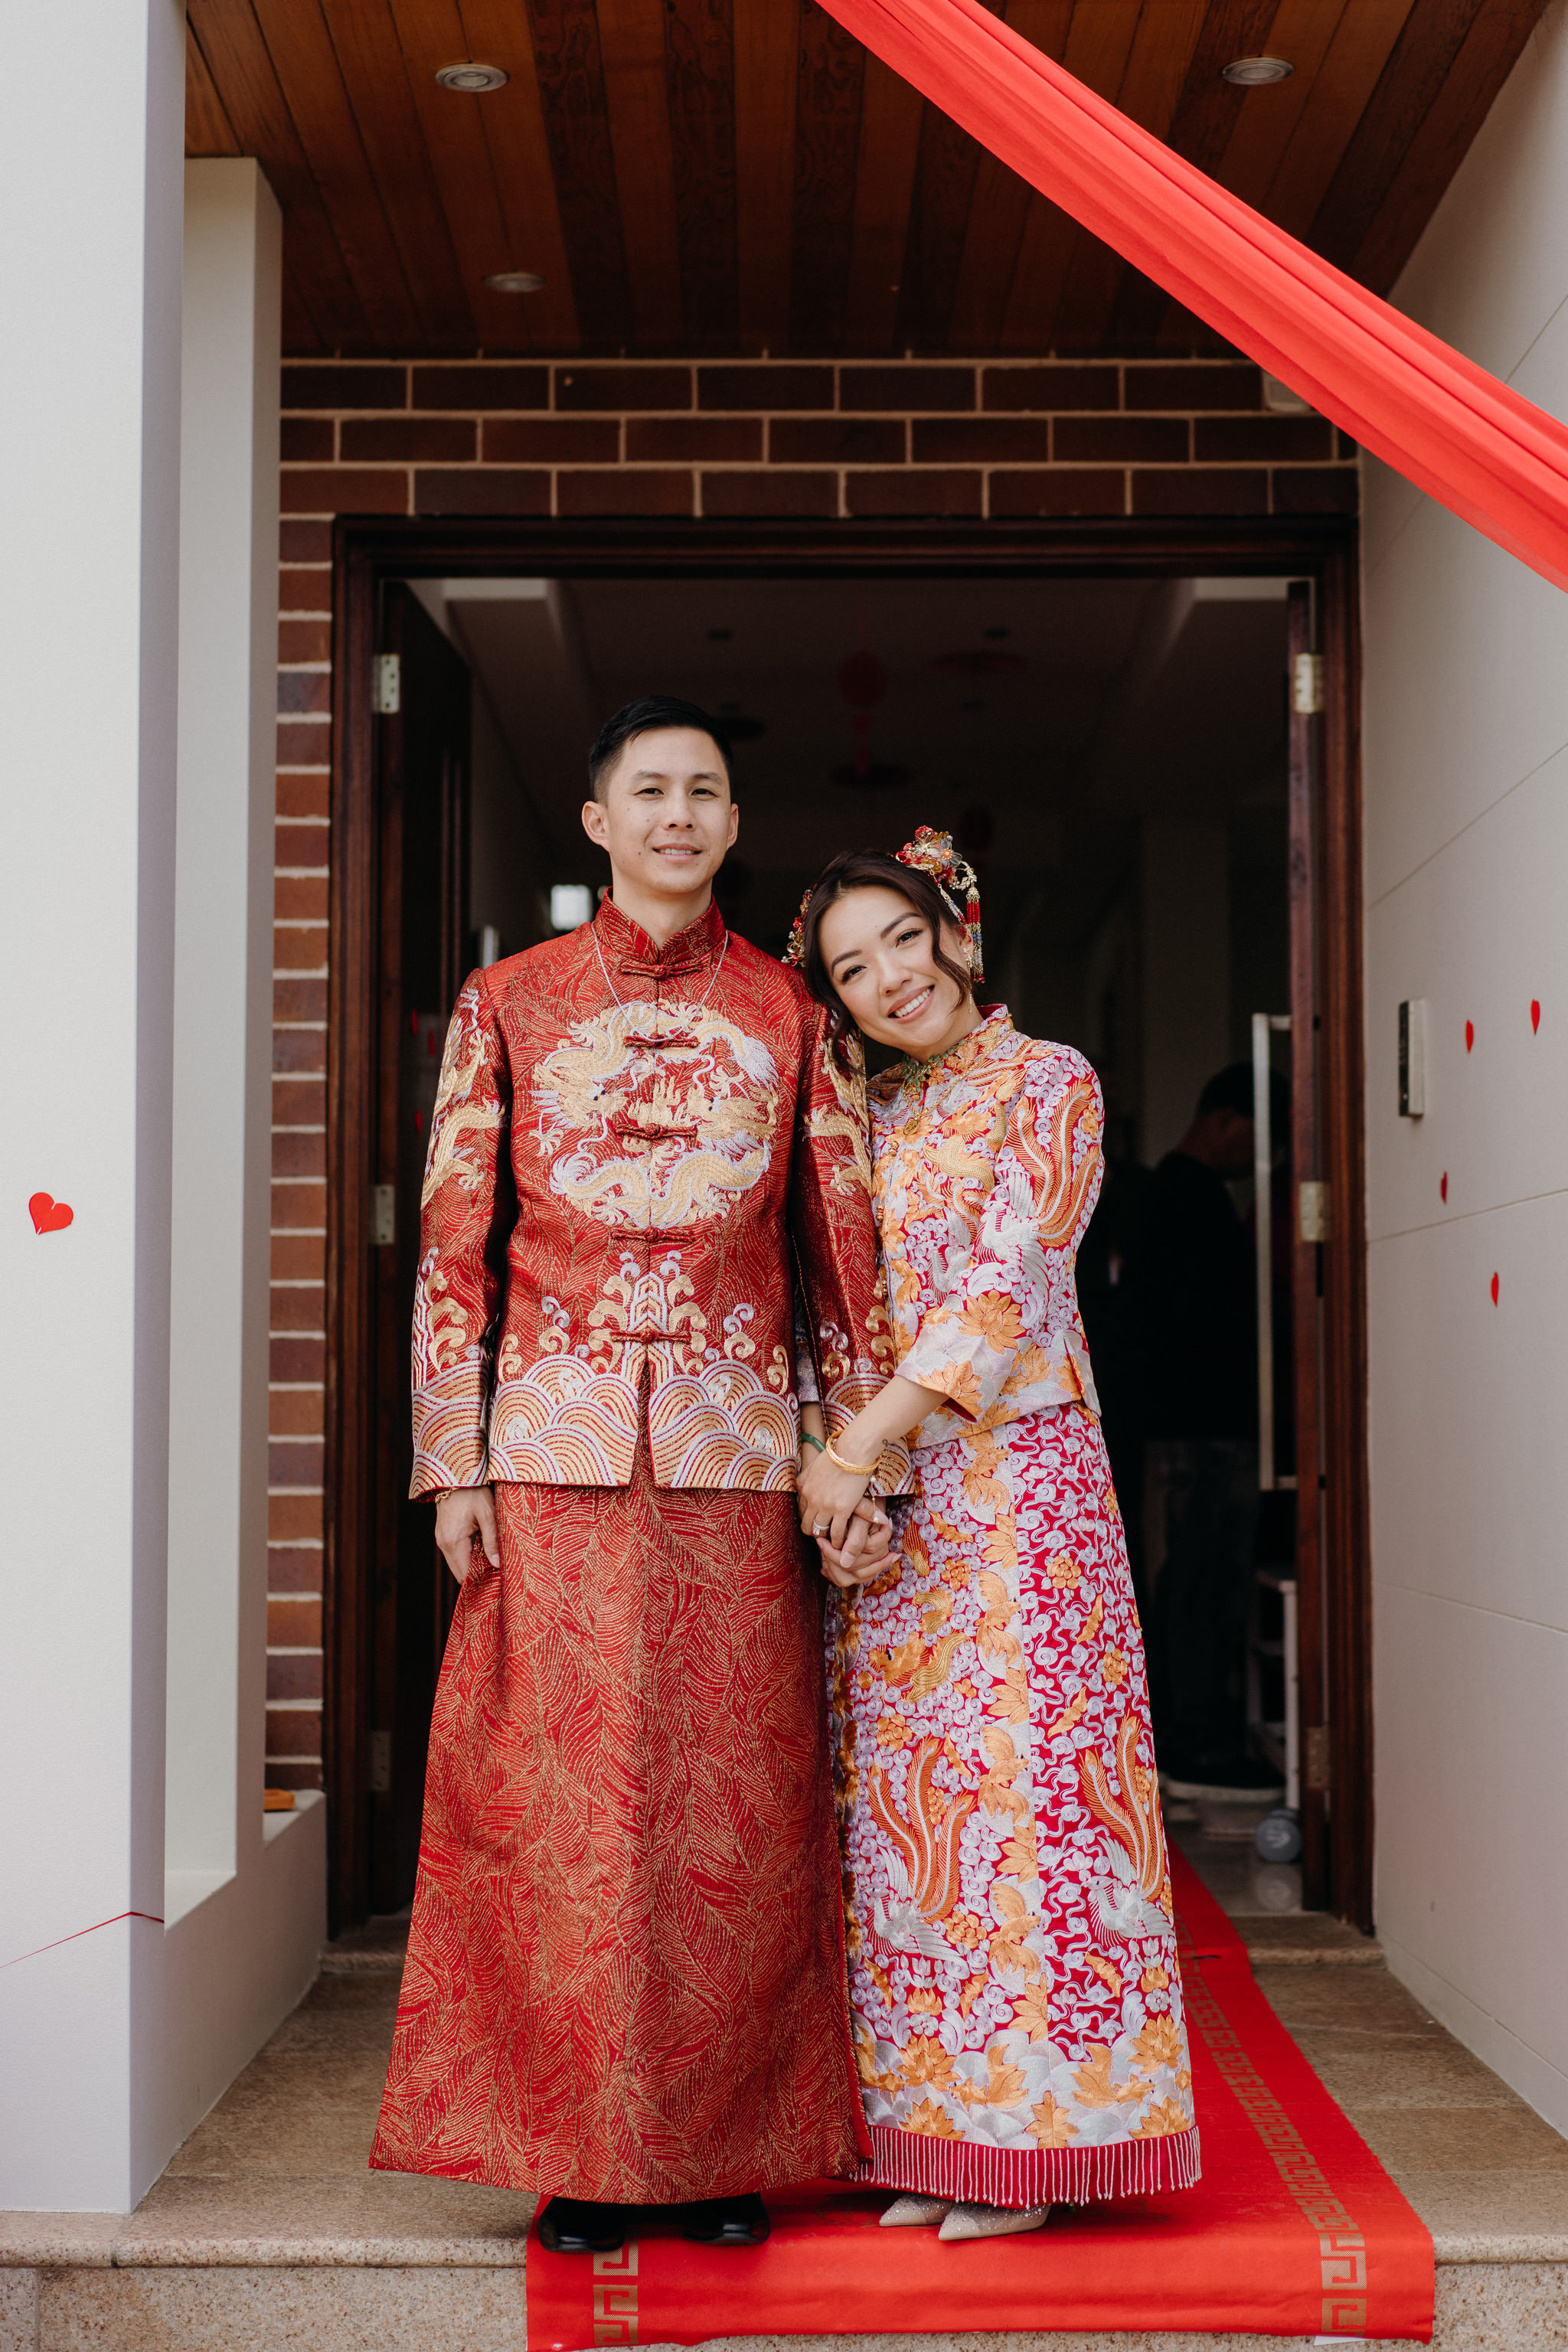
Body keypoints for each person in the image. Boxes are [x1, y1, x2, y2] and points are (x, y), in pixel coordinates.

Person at [370, 697, 903, 2253]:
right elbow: (454, 1244)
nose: (679, 814)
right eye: (650, 790)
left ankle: (723, 2151)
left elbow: (836, 1247)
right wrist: (451, 1459)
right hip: (555, 1452)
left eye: (705, 791)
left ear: (733, 824)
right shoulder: (509, 1000)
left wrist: (850, 1455)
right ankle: (576, 2154)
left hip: (738, 1462)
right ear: (599, 821)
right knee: (559, 1809)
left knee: (734, 1807)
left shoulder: (788, 1008)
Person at [792, 831, 1199, 2244]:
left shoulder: (1050, 1080)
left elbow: (1006, 1281)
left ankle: (1034, 2144)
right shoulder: (862, 1117)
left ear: (956, 933)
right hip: (896, 1502)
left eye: (901, 941)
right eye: (852, 968)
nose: (887, 979)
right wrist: (840, 1480)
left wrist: (857, 1446)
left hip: (1021, 1490)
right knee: (913, 1827)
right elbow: (835, 1311)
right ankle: (937, 2134)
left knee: (1027, 1804)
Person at [1120, 1063, 1289, 1798]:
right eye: (1259, 1137)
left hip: (1190, 1425)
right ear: (1225, 1120)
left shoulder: (1175, 1195)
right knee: (1202, 1582)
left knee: (1195, 1578)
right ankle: (1195, 1741)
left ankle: (1190, 1734)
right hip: (1203, 1426)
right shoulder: (1187, 1198)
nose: (1262, 1158)